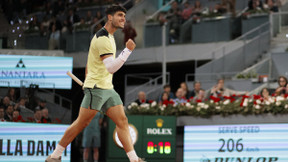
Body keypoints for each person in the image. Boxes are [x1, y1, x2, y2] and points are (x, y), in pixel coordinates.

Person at [46, 5, 145, 162]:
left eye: (124, 16)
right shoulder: (102, 39)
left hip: (107, 89)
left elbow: (90, 63)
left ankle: (134, 159)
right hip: (97, 89)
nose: (123, 19)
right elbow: (111, 68)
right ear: (109, 17)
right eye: (120, 15)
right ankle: (55, 156)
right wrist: (127, 51)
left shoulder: (110, 37)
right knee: (82, 123)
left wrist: (87, 78)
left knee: (122, 121)